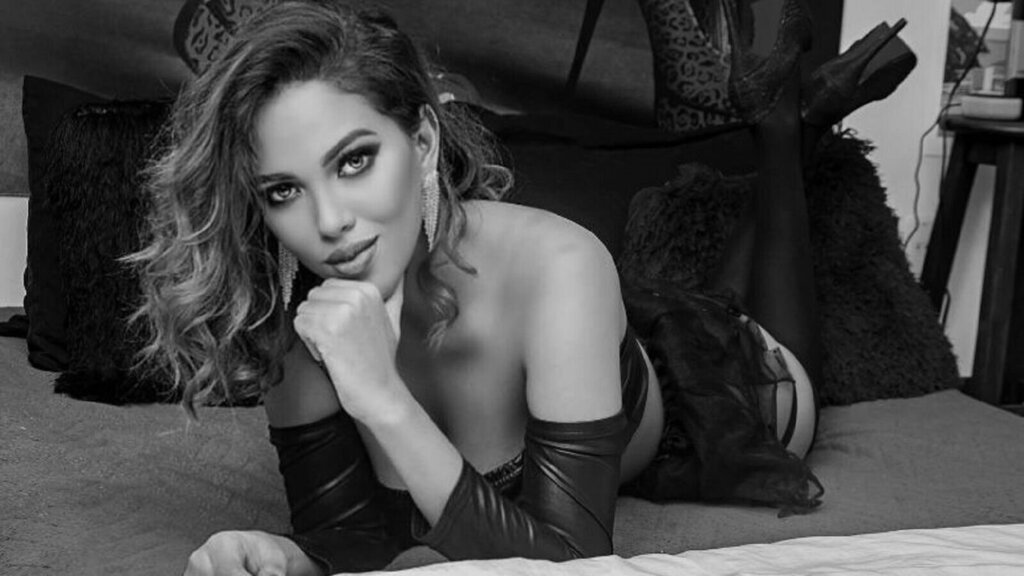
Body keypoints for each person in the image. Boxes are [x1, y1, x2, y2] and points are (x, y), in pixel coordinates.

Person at [128, 0, 912, 574]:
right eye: (283, 191)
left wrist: (383, 400)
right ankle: (795, 124)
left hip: (692, 405)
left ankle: (786, 130)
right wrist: (285, 556)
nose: (329, 222)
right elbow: (355, 537)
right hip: (594, 344)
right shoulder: (301, 326)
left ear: (421, 140)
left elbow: (570, 567)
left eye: (355, 160)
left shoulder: (559, 263)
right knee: (704, 300)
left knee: (758, 346)